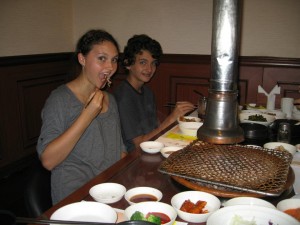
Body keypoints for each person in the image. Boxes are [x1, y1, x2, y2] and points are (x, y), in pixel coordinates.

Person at [37, 29, 126, 204]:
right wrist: (88, 114)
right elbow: (48, 161)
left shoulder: (110, 100)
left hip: (110, 192)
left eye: (114, 60)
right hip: (76, 198)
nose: (110, 67)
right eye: (102, 58)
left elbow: (120, 151)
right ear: (82, 59)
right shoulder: (60, 99)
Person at [113, 34, 195, 152]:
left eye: (153, 63)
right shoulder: (123, 97)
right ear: (128, 63)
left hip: (154, 148)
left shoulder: (147, 92)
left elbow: (156, 128)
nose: (149, 69)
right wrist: (171, 118)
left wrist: (175, 120)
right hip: (134, 157)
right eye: (143, 62)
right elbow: (139, 144)